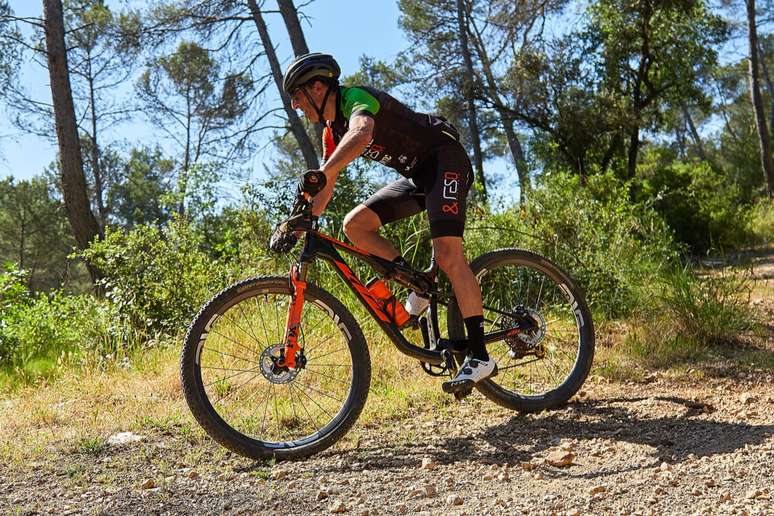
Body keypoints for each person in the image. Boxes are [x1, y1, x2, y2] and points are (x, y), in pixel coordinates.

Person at [282, 52, 496, 393]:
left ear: (319, 87)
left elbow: (363, 133)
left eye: (296, 95)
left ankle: (481, 356)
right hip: (419, 176)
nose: (294, 105)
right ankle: (419, 284)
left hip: (445, 159)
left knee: (448, 255)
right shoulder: (329, 133)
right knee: (355, 226)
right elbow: (325, 189)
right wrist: (300, 221)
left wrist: (324, 173)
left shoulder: (355, 99)